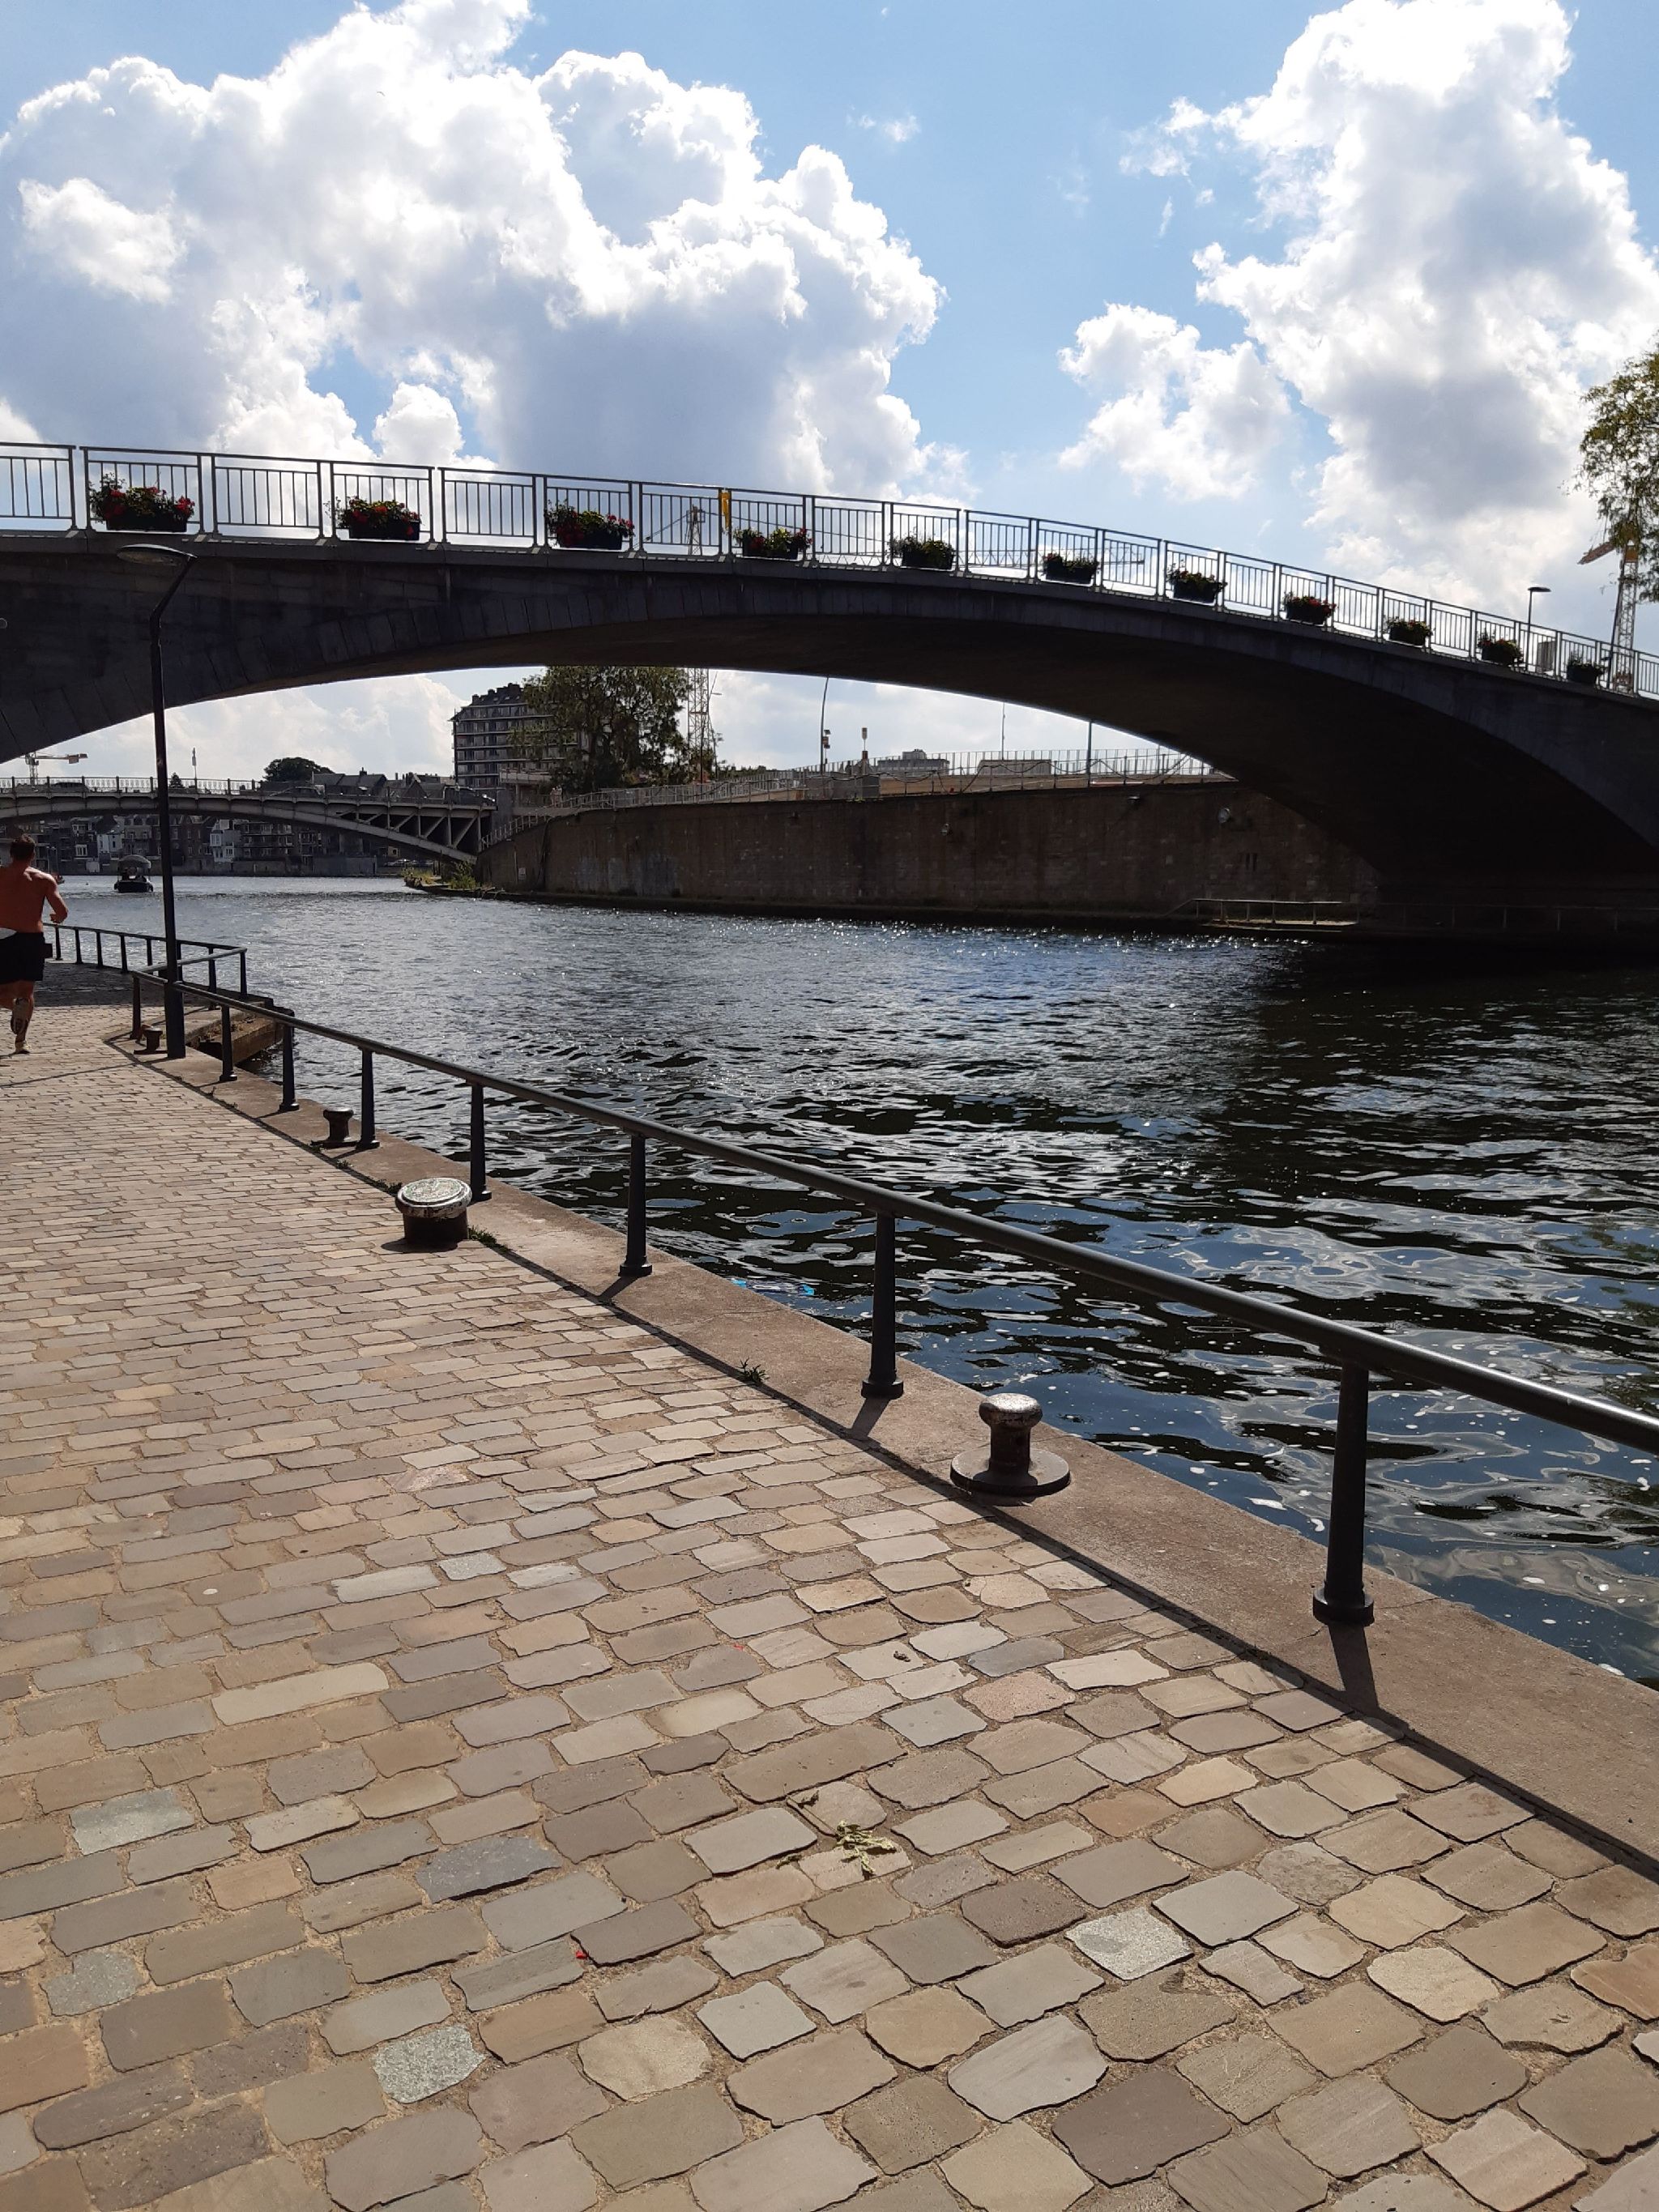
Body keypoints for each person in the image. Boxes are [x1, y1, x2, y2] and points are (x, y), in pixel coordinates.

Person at [0, 834, 69, 1055]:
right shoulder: (43, 879)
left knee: (3, 991)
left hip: (3, 936)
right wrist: (56, 918)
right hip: (32, 938)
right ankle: (21, 1041)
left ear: (11, 854)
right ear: (33, 855)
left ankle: (14, 1007)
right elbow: (62, 911)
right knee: (27, 991)